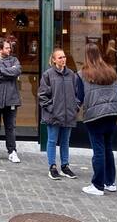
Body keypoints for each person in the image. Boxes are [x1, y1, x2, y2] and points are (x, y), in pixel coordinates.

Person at [76, 43, 117, 196]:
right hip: (112, 114)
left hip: (95, 116)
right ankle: (110, 182)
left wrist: (72, 112)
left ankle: (97, 185)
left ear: (86, 56)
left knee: (99, 150)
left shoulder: (83, 74)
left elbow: (79, 97)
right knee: (108, 148)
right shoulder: (111, 71)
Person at [38, 48, 79, 180]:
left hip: (68, 114)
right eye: (60, 57)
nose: (63, 59)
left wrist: (75, 107)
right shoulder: (48, 75)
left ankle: (65, 166)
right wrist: (51, 108)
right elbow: (42, 95)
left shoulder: (71, 75)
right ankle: (52, 167)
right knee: (52, 140)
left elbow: (77, 93)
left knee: (65, 141)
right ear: (54, 60)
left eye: (64, 57)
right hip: (54, 115)